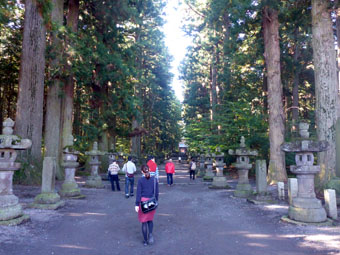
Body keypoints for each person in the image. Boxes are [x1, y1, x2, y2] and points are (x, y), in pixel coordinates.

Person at [135, 165, 159, 246]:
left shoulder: (140, 180)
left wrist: (136, 204)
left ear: (142, 171)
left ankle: (145, 241)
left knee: (144, 222)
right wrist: (156, 202)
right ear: (149, 170)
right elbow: (156, 193)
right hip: (152, 202)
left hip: (143, 203)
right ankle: (150, 234)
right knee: (150, 220)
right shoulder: (154, 180)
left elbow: (138, 193)